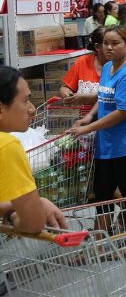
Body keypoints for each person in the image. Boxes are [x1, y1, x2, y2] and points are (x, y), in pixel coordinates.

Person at [68, 26, 126, 251]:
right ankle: (98, 245)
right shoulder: (108, 67)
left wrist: (89, 128)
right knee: (103, 193)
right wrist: (88, 117)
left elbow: (123, 112)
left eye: (115, 43)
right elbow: (104, 97)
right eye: (105, 43)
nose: (109, 47)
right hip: (107, 142)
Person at [0, 66, 68, 234]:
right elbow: (33, 223)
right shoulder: (7, 146)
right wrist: (36, 205)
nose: (31, 109)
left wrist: (11, 210)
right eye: (25, 101)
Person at [60, 27, 108, 106]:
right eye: (107, 43)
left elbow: (114, 96)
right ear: (97, 47)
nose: (111, 47)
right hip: (84, 112)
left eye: (115, 43)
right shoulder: (83, 62)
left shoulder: (121, 66)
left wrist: (85, 98)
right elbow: (65, 87)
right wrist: (68, 95)